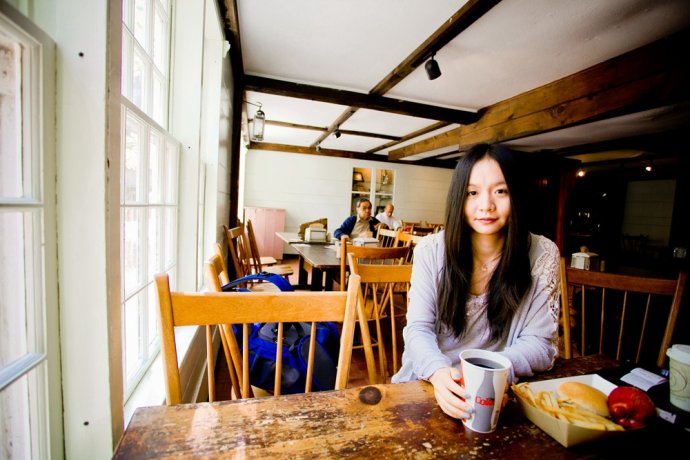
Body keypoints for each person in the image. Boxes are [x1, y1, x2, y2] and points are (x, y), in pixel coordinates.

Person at [391, 143, 561, 422]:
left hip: (497, 391)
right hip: (428, 384)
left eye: (500, 191)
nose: (486, 206)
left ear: (516, 194)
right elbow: (418, 329)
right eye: (472, 192)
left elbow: (541, 343)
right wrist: (438, 373)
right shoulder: (431, 251)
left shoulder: (542, 254)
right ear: (459, 197)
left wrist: (496, 373)